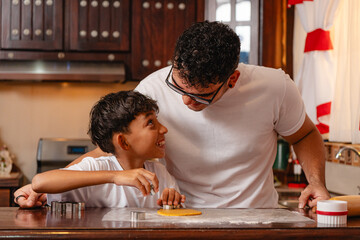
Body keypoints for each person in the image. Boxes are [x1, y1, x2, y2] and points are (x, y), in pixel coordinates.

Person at [15, 21, 329, 209]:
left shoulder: (275, 86)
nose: (183, 101)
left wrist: (316, 182)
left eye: (198, 96)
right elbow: (112, 146)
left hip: (256, 218)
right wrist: (37, 187)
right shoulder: (152, 87)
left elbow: (304, 134)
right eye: (177, 86)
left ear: (231, 80)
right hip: (184, 219)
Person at [29, 91, 185, 208]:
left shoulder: (160, 174)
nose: (164, 129)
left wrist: (172, 204)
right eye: (151, 123)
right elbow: (39, 182)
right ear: (123, 141)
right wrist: (115, 176)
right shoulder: (98, 167)